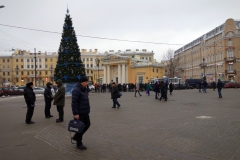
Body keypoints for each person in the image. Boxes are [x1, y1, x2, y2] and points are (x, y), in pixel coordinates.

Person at [71, 76, 91, 150]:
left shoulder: (84, 89)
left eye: (87, 82)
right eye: (86, 82)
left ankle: (76, 136)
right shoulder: (76, 90)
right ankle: (79, 143)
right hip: (79, 113)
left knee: (87, 124)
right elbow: (74, 103)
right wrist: (76, 114)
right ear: (81, 82)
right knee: (80, 127)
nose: (87, 83)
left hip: (85, 111)